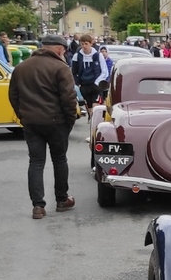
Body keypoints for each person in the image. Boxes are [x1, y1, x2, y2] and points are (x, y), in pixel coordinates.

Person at [8, 35, 77, 219]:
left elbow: (13, 95)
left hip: (31, 121)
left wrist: (23, 116)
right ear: (60, 49)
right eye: (64, 50)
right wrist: (70, 120)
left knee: (36, 162)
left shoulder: (21, 67)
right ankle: (62, 199)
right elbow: (69, 98)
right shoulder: (60, 68)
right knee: (59, 159)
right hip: (56, 121)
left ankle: (38, 206)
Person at [70, 35, 105, 115]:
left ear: (91, 44)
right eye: (82, 44)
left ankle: (95, 119)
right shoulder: (77, 56)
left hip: (95, 85)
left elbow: (104, 71)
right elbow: (74, 72)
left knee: (95, 108)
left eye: (86, 44)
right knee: (89, 109)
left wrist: (97, 82)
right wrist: (78, 84)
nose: (84, 46)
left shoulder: (98, 55)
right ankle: (91, 119)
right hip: (84, 86)